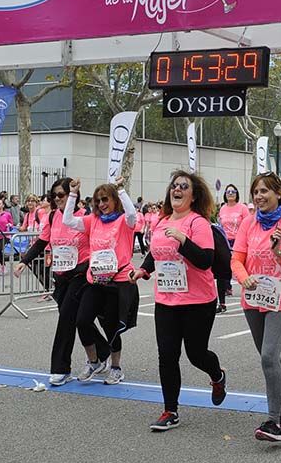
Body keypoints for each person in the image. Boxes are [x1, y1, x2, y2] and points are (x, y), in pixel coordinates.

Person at [131, 171, 226, 432]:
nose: (178, 189)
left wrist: (183, 240)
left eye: (184, 186)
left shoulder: (199, 223)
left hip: (198, 300)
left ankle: (217, 375)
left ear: (193, 195)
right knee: (167, 356)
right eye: (174, 185)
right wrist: (143, 270)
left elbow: (205, 260)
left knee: (196, 354)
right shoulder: (162, 222)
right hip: (166, 300)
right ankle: (170, 410)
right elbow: (156, 253)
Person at [233, 173, 281, 442]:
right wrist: (244, 278)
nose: (258, 196)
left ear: (279, 194)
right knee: (270, 358)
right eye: (255, 191)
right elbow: (237, 259)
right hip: (254, 298)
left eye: (264, 191)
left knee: (267, 356)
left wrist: (280, 254)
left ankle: (272, 421)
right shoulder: (247, 223)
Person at [16, 177, 100, 386]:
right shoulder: (52, 217)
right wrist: (24, 261)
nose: (57, 199)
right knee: (77, 319)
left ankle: (61, 368)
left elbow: (98, 242)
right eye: (54, 195)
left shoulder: (84, 217)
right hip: (60, 275)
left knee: (65, 321)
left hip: (80, 273)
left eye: (61, 195)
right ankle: (104, 352)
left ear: (72, 194)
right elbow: (42, 241)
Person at [63, 177, 139, 386]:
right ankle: (94, 361)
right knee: (82, 320)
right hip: (95, 280)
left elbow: (132, 214)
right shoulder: (92, 220)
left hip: (118, 281)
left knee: (111, 327)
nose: (101, 204)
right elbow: (67, 220)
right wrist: (72, 193)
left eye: (105, 199)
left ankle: (116, 367)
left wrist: (122, 189)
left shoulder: (124, 221)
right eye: (97, 201)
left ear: (114, 200)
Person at [216, 184, 247, 313]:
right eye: (228, 192)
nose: (230, 194)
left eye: (233, 191)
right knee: (221, 271)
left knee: (242, 269)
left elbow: (248, 224)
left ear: (237, 193)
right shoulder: (222, 208)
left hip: (239, 241)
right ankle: (222, 303)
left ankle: (250, 297)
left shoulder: (242, 208)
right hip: (224, 241)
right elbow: (219, 224)